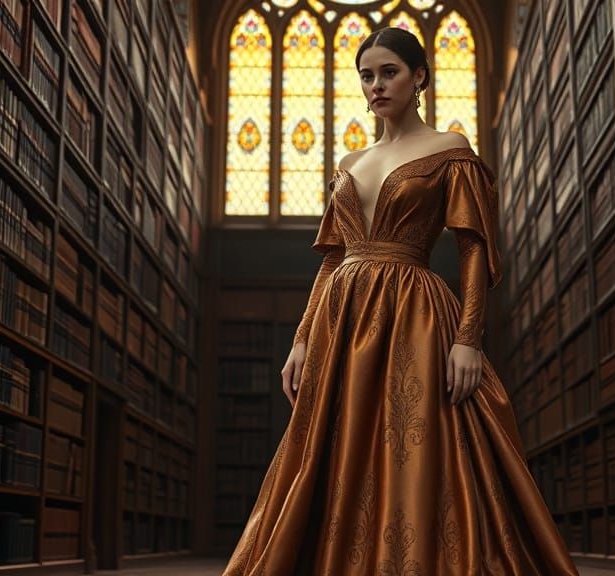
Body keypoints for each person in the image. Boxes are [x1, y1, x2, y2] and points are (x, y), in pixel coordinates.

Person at [223, 27, 579, 576]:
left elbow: (473, 247)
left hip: (414, 312)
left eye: (389, 72)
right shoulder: (351, 160)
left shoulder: (450, 149)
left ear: (419, 78)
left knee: (413, 441)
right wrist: (301, 339)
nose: (376, 85)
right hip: (342, 317)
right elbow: (331, 260)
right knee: (332, 446)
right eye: (367, 75)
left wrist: (468, 338)